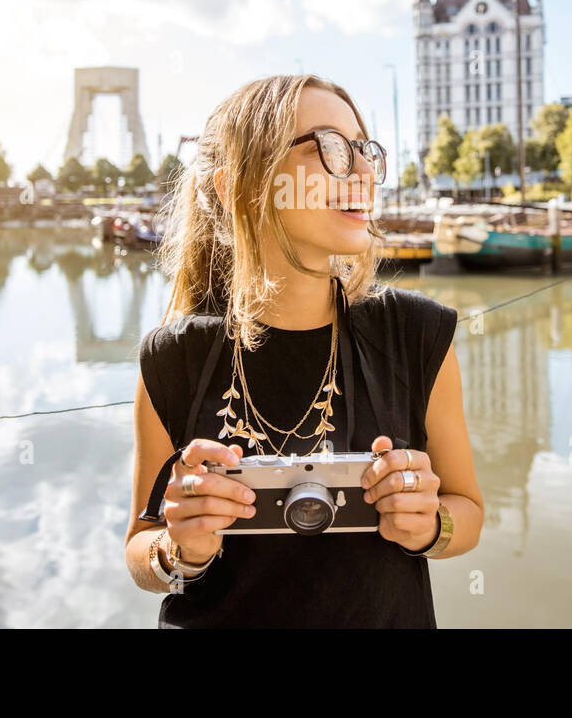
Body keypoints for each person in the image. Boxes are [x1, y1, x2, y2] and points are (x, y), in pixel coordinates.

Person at [124, 73, 483, 627]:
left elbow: (469, 513)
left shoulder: (416, 333)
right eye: (333, 149)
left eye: (365, 150)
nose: (365, 173)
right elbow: (141, 550)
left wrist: (432, 525)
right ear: (236, 186)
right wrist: (179, 550)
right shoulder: (174, 355)